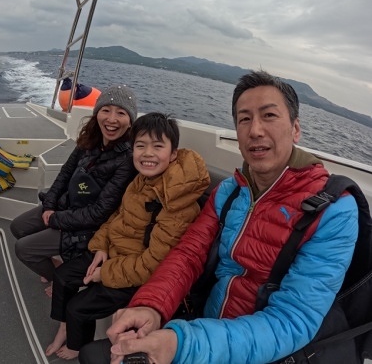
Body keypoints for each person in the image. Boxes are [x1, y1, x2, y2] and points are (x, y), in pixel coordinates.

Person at [89, 70, 359, 364]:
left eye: (269, 115)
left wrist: (182, 343)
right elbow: (189, 254)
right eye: (244, 119)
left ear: (295, 129)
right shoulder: (230, 191)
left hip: (265, 352)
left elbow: (292, 320)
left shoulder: (334, 209)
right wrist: (151, 305)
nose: (255, 130)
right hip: (204, 321)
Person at [46, 112, 211, 360]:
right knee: (62, 276)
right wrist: (101, 247)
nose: (147, 153)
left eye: (158, 146)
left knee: (78, 307)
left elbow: (154, 265)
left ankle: (77, 344)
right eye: (140, 146)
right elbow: (117, 216)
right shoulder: (141, 180)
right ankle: (65, 327)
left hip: (138, 275)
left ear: (173, 154)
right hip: (115, 253)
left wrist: (105, 272)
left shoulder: (177, 203)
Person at [10, 84, 139, 295]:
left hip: (87, 227)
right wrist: (50, 205)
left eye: (121, 113)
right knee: (18, 227)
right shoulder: (90, 139)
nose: (112, 119)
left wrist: (56, 220)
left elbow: (100, 213)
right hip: (66, 206)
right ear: (97, 113)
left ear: (131, 120)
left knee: (24, 249)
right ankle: (55, 265)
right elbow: (65, 173)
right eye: (106, 110)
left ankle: (60, 279)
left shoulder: (127, 159)